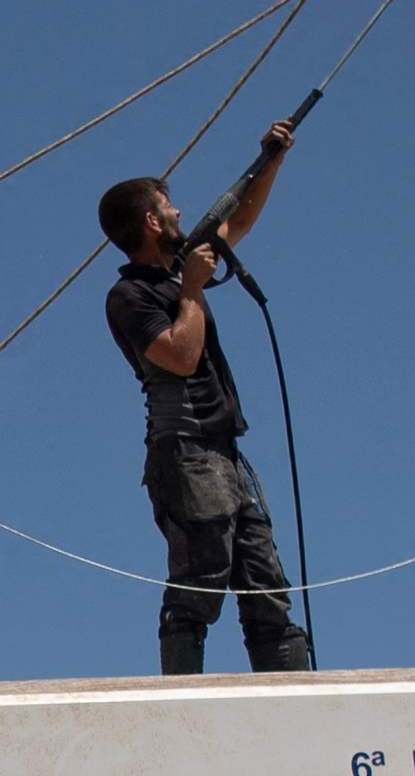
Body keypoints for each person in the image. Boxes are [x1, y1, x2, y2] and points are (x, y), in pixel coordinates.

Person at [99, 123, 312, 674]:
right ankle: (180, 703)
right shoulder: (131, 294)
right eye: (168, 207)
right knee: (199, 582)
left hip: (222, 452)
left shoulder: (176, 270)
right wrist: (191, 288)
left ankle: (292, 701)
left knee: (265, 585)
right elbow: (179, 356)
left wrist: (272, 161)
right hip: (186, 451)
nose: (178, 214)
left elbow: (234, 220)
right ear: (151, 220)